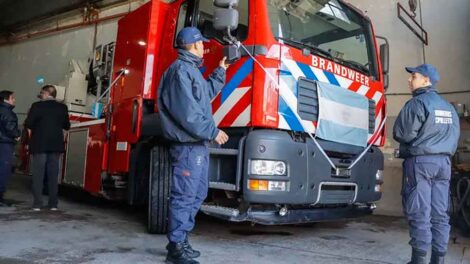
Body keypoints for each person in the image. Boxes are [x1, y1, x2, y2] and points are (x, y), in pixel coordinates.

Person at [157, 27, 229, 264]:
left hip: (196, 144)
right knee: (185, 195)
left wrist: (220, 71)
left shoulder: (190, 71)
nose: (204, 47)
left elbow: (204, 94)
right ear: (195, 45)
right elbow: (187, 113)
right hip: (187, 144)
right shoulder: (180, 72)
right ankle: (175, 248)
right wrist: (213, 131)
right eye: (202, 44)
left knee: (197, 192)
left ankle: (181, 239)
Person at [393, 64, 460, 264]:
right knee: (440, 213)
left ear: (426, 80)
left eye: (413, 76)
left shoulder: (417, 104)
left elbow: (402, 134)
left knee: (419, 211)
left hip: (421, 163)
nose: (409, 80)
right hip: (444, 164)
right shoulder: (449, 107)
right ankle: (438, 260)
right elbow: (454, 137)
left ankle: (418, 260)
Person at [25, 85, 70, 211]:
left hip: (39, 145)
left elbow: (28, 124)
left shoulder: (37, 106)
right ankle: (53, 204)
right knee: (53, 175)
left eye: (41, 93)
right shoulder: (63, 107)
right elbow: (67, 125)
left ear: (46, 93)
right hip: (55, 145)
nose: (40, 95)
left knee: (38, 175)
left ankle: (37, 204)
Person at [0, 90, 20, 206]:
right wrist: (17, 134)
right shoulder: (7, 112)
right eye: (12, 98)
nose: (14, 100)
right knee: (3, 170)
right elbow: (11, 128)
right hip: (4, 143)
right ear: (6, 99)